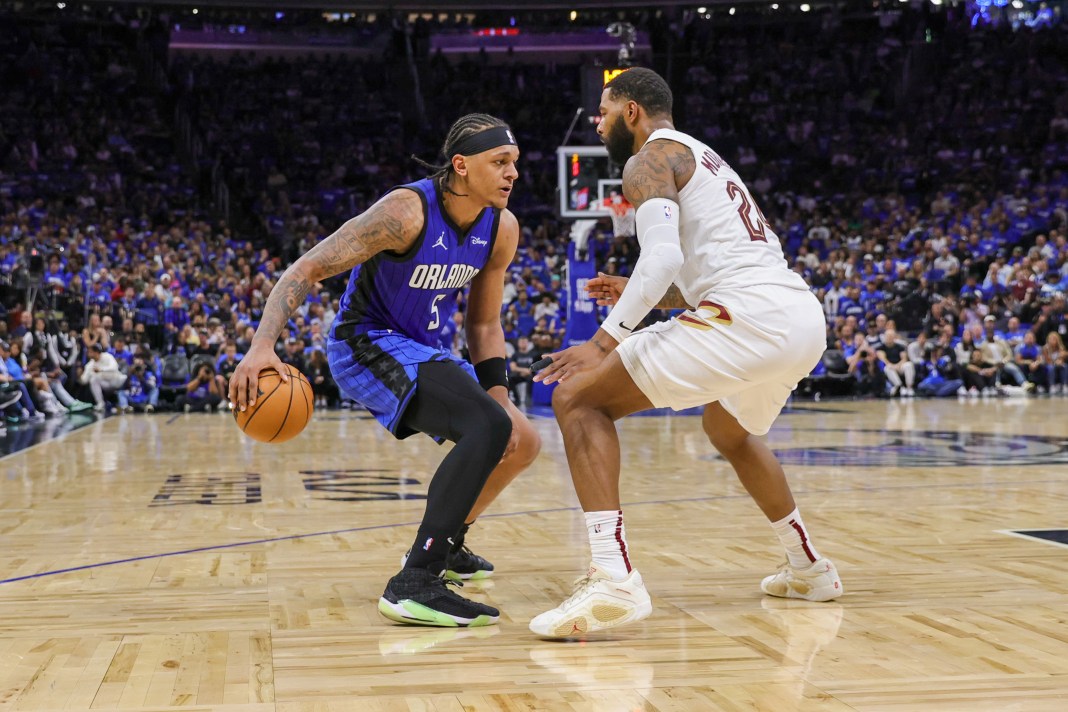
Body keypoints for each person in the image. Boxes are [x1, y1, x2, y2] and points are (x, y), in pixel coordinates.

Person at [529, 68, 842, 638]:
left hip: (749, 316)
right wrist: (638, 289)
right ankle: (809, 568)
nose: (596, 124)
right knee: (730, 431)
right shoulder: (706, 158)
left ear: (632, 112)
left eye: (603, 111)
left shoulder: (646, 159)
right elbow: (703, 272)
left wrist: (603, 342)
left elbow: (665, 259)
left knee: (578, 399)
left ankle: (613, 577)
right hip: (798, 315)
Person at [229, 113, 540, 628]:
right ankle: (414, 581)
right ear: (461, 166)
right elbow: (306, 267)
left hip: (419, 348)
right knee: (485, 426)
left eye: (515, 163)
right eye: (500, 162)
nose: (513, 173)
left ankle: (450, 542)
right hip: (363, 345)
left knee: (520, 438)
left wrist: (500, 393)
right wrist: (262, 346)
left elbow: (484, 323)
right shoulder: (406, 212)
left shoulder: (501, 228)